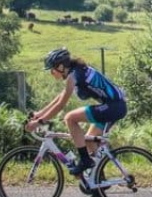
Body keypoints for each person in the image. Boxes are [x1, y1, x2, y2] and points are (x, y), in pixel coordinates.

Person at [24, 47, 127, 176]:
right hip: (114, 106)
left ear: (61, 66)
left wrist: (38, 123)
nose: (51, 73)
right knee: (89, 141)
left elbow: (61, 105)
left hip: (114, 106)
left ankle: (85, 160)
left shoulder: (74, 76)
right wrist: (40, 113)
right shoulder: (75, 73)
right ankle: (98, 182)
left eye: (52, 69)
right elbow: (59, 98)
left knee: (70, 118)